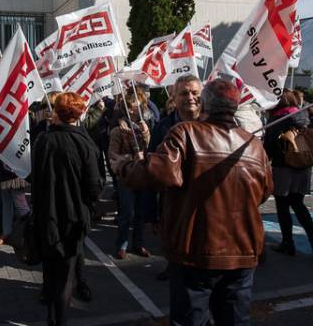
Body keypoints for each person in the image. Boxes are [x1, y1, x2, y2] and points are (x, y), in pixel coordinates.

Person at [112, 79, 273, 326]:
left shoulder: (186, 133)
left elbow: (156, 173)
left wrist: (122, 166)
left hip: (196, 251)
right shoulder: (253, 146)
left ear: (204, 101)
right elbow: (263, 192)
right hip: (241, 252)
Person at [32, 92, 102, 326]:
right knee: (66, 275)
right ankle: (58, 320)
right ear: (79, 114)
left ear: (57, 112)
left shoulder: (43, 140)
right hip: (73, 218)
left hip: (46, 214)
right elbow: (94, 186)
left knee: (51, 272)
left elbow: (34, 175)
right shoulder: (85, 143)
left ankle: (52, 316)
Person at [146, 75, 202, 280]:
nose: (190, 97)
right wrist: (150, 212)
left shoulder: (214, 125)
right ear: (174, 97)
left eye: (195, 93)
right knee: (172, 239)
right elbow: (151, 170)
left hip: (204, 198)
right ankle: (173, 267)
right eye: (184, 93)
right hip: (172, 199)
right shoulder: (162, 128)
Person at [263, 90, 313, 255]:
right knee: (298, 205)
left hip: (283, 167)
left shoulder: (276, 120)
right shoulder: (303, 116)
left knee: (282, 206)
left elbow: (268, 148)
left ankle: (287, 243)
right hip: (303, 166)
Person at [108, 89, 151, 259]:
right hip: (126, 175)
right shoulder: (119, 129)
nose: (136, 109)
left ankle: (139, 243)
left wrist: (146, 133)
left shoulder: (144, 126)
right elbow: (112, 155)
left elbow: (150, 148)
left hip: (143, 174)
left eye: (138, 106)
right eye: (132, 106)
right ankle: (122, 244)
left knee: (140, 212)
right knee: (127, 212)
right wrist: (130, 159)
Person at [0, 159, 30, 247]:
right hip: (3, 169)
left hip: (16, 168)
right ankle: (6, 232)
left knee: (21, 206)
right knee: (6, 203)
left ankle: (30, 234)